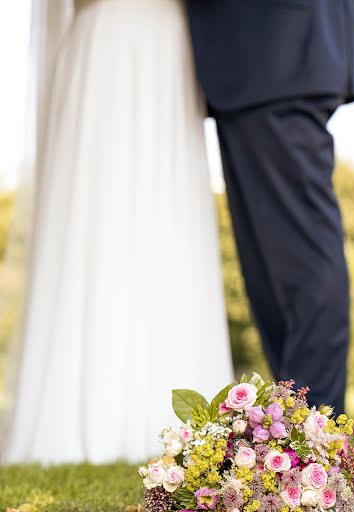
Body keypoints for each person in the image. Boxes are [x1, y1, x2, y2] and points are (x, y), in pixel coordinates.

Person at [0, 0, 233, 464]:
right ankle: (78, 415)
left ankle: (177, 414)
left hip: (170, 47)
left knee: (170, 225)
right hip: (105, 44)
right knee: (97, 212)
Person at [188, 0, 354, 415]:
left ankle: (314, 426)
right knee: (267, 270)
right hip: (260, 61)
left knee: (301, 255)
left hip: (279, 51)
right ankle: (294, 422)